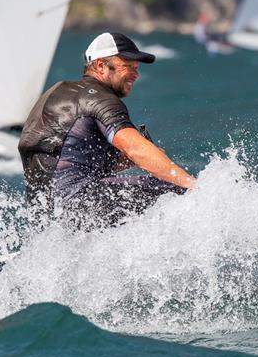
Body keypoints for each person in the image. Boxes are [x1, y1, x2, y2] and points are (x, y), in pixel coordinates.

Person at [18, 32, 197, 227]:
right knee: (175, 188)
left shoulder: (55, 94)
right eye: (128, 67)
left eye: (137, 68)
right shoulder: (101, 99)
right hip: (81, 206)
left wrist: (128, 160)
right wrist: (192, 185)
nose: (135, 74)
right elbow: (136, 149)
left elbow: (69, 159)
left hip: (46, 218)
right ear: (101, 65)